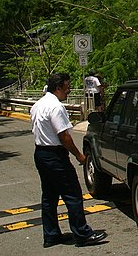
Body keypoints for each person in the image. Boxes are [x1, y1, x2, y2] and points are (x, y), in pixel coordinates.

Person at [30, 73, 108, 248]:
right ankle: (82, 234)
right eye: (67, 86)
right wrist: (79, 155)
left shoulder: (37, 105)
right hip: (55, 156)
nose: (69, 89)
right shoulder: (56, 107)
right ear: (58, 88)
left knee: (49, 197)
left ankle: (51, 235)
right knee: (72, 194)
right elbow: (64, 136)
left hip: (41, 154)